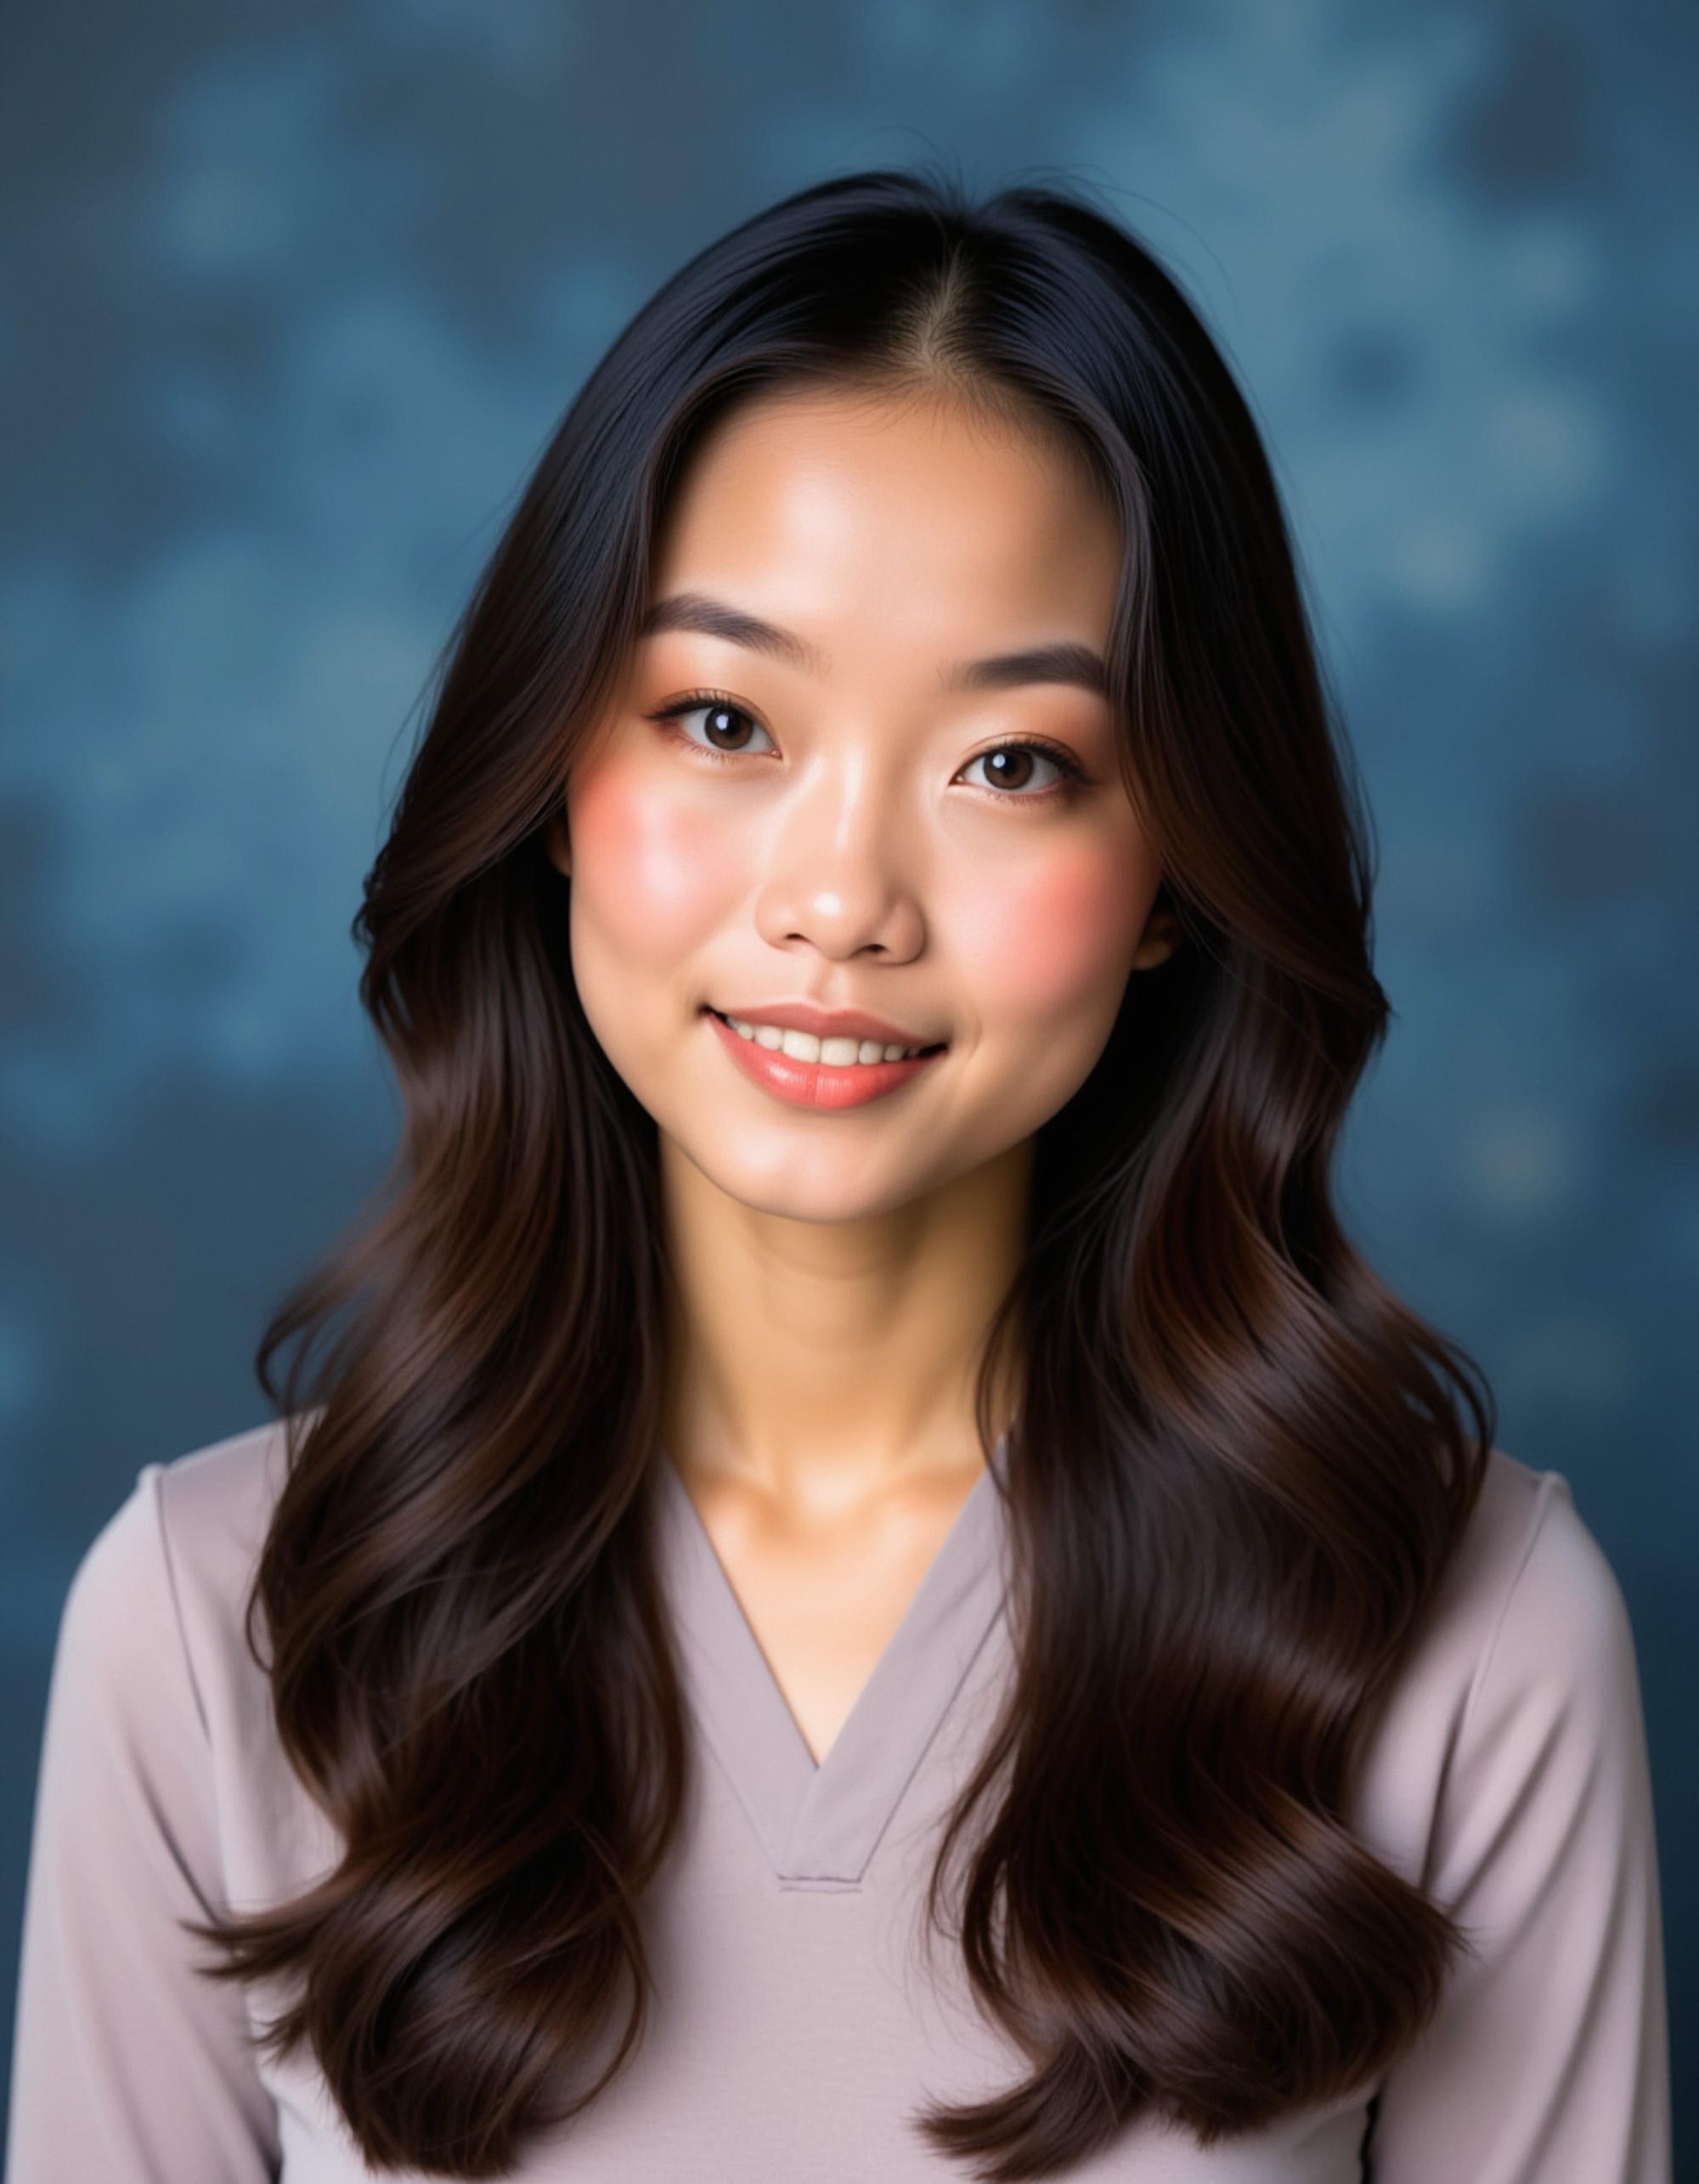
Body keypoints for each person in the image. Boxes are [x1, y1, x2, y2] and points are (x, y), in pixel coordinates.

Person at [7, 172, 1670, 2183]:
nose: (840, 902)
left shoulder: (1466, 1627)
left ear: (1172, 878)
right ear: (550, 781)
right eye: (721, 719)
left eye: (1012, 763)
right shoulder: (214, 1627)